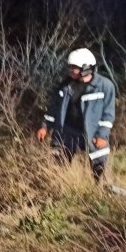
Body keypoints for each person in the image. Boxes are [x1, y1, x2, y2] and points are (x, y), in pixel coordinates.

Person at [37, 48, 116, 179]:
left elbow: (108, 114)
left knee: (99, 166)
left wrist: (102, 135)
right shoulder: (65, 85)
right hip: (67, 131)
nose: (70, 70)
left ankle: (101, 192)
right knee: (59, 163)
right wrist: (45, 126)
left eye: (74, 67)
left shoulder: (105, 86)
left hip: (92, 132)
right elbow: (53, 108)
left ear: (86, 67)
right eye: (70, 66)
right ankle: (59, 189)